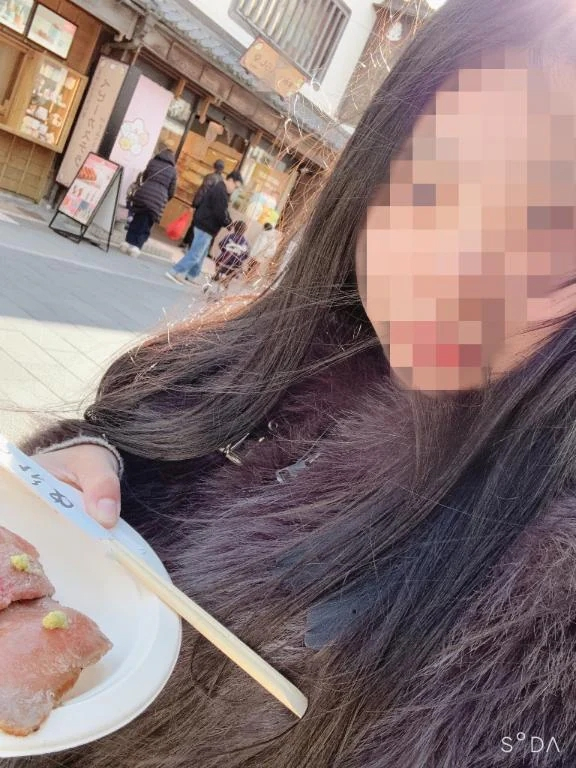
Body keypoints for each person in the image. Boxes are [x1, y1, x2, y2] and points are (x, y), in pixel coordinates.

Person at [10, 0, 576, 764]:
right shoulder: (280, 351)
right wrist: (71, 481)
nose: (456, 274)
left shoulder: (548, 599)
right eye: (432, 188)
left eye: (545, 229)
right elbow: (115, 451)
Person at [165, 170, 243, 286]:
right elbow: (220, 212)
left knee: (201, 255)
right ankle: (174, 271)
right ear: (231, 180)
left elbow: (223, 210)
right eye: (235, 187)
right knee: (196, 254)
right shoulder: (220, 191)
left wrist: (228, 221)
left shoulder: (221, 190)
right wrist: (228, 223)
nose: (235, 190)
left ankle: (191, 275)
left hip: (206, 226)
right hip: (206, 226)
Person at [120, 147, 177, 258]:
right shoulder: (172, 171)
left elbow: (145, 177)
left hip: (144, 193)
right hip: (158, 199)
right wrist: (164, 198)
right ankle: (136, 246)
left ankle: (127, 242)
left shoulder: (152, 162)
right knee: (147, 223)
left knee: (137, 218)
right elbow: (171, 191)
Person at [180, 159, 226, 250]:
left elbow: (202, 192)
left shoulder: (210, 177)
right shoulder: (223, 182)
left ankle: (186, 242)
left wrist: (194, 205)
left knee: (195, 223)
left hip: (203, 205)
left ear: (214, 166)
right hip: (212, 209)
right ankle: (192, 245)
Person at [204, 219, 251, 296]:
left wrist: (226, 251)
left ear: (234, 228)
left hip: (223, 262)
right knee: (236, 268)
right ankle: (227, 281)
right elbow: (246, 255)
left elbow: (221, 245)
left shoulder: (229, 236)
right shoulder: (245, 242)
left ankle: (217, 274)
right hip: (234, 266)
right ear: (244, 230)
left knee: (220, 260)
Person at [241, 222, 280, 287]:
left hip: (259, 255)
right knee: (252, 266)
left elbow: (272, 249)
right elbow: (258, 245)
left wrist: (265, 254)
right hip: (257, 255)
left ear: (265, 227)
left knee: (253, 266)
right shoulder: (264, 234)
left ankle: (249, 279)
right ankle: (248, 278)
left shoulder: (270, 237)